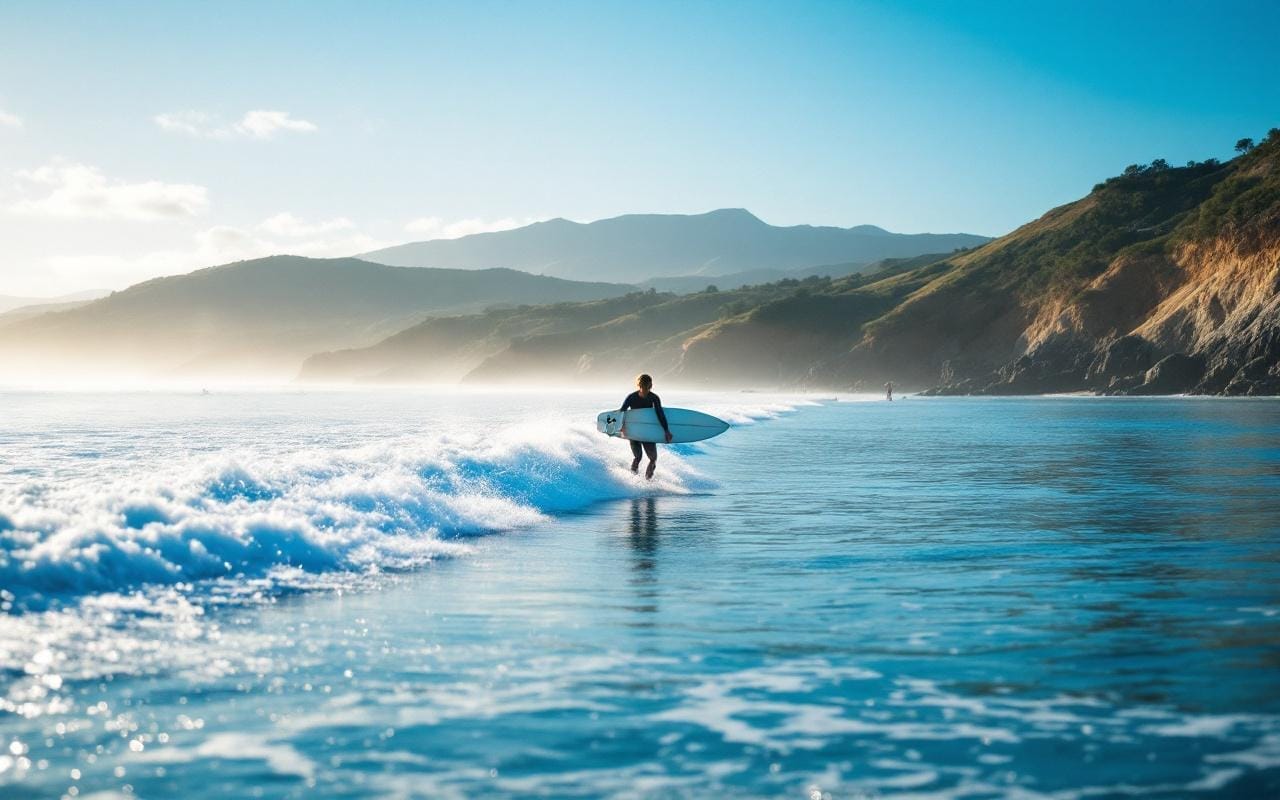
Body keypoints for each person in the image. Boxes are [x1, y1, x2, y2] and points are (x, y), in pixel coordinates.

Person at [619, 373, 672, 480]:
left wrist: (666, 430)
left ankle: (647, 481)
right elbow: (622, 412)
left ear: (650, 385)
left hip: (645, 432)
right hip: (635, 432)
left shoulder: (653, 398)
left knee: (651, 458)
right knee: (639, 457)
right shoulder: (632, 397)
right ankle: (633, 480)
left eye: (647, 386)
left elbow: (659, 414)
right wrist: (622, 426)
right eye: (644, 386)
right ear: (640, 385)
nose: (646, 388)